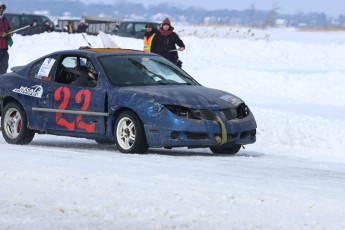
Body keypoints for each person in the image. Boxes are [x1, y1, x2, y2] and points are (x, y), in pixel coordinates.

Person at [0, 2, 11, 74]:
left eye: (2, 8)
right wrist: (1, 34)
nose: (1, 10)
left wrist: (10, 32)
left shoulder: (5, 19)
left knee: (4, 67)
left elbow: (9, 28)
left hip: (4, 48)